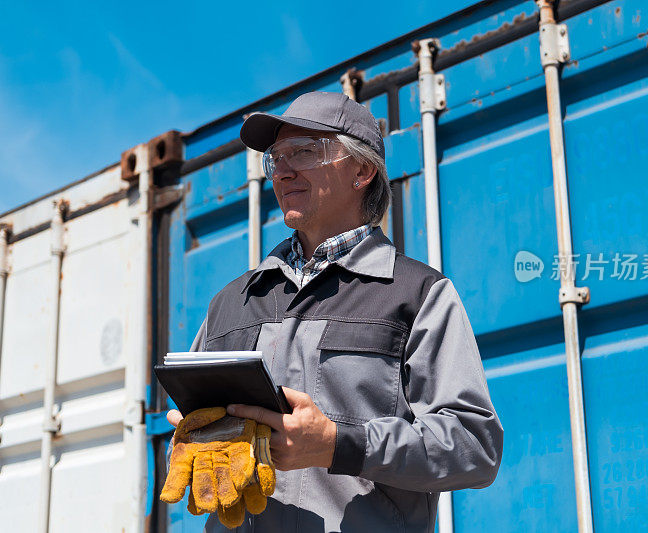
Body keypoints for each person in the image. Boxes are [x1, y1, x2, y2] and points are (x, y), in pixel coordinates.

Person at [166, 91, 503, 532]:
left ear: (362, 170)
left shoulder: (418, 294)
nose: (282, 172)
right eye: (276, 158)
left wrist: (338, 445)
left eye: (304, 152)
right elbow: (193, 435)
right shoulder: (231, 302)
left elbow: (474, 447)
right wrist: (194, 436)